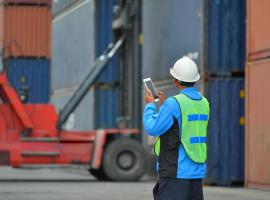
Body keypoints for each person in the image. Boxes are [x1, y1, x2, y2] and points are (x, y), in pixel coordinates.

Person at [143, 56, 210, 200]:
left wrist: (150, 105)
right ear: (195, 79)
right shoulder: (204, 102)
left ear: (176, 80)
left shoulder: (173, 104)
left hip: (175, 171)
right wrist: (164, 106)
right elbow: (183, 124)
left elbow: (152, 128)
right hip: (196, 171)